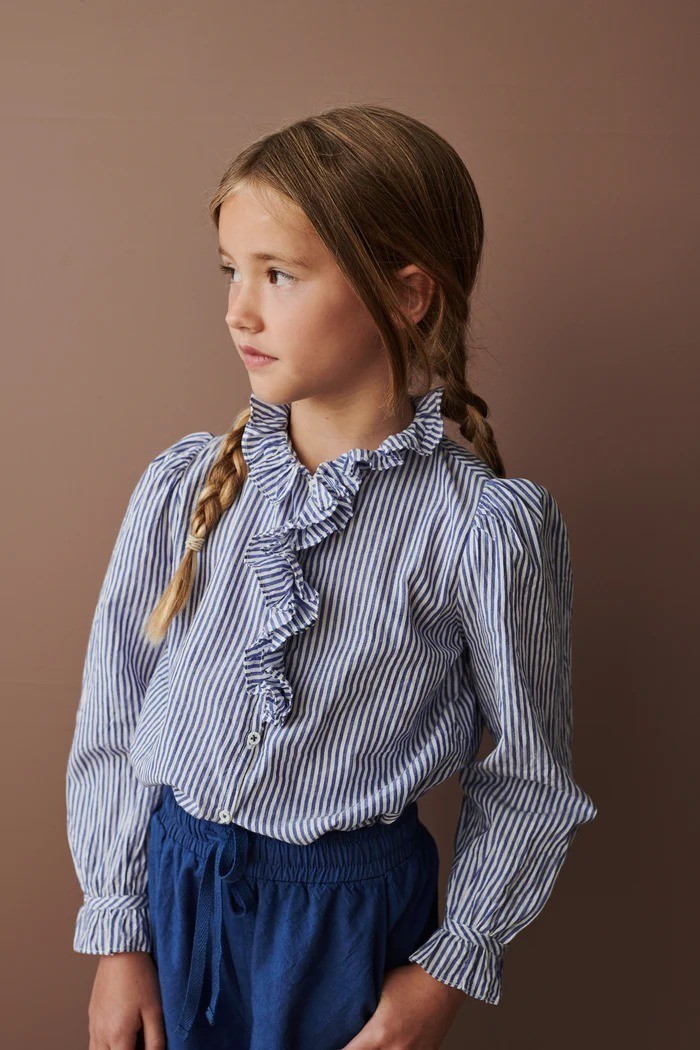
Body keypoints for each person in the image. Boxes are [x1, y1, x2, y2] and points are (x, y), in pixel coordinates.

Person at [66, 103, 598, 1050]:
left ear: (408, 294)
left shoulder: (482, 531)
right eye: (231, 271)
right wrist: (119, 929)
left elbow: (529, 778)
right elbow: (115, 708)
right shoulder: (187, 486)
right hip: (172, 896)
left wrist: (442, 976)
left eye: (278, 274)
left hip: (343, 927)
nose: (239, 309)